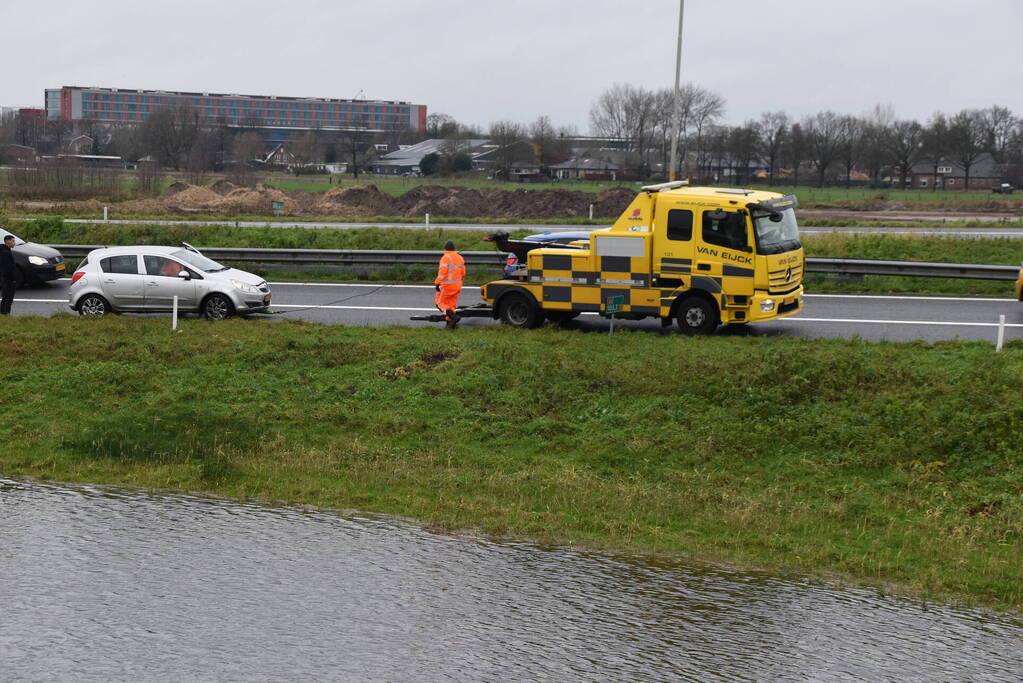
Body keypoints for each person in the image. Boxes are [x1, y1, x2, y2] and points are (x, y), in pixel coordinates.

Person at [434, 239, 465, 328]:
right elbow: (463, 273)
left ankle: (454, 317)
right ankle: (450, 324)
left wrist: (437, 283)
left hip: (447, 286)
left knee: (439, 303)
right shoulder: (460, 257)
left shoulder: (446, 257)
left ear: (445, 249)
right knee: (451, 305)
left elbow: (442, 272)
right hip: (458, 285)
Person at [0, 234, 16, 316]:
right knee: (8, 297)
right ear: (8, 241)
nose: (14, 243)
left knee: (5, 296)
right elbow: (9, 268)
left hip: (5, 278)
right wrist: (13, 279)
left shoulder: (5, 250)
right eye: (13, 241)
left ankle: (3, 313)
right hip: (7, 279)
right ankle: (5, 313)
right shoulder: (6, 253)